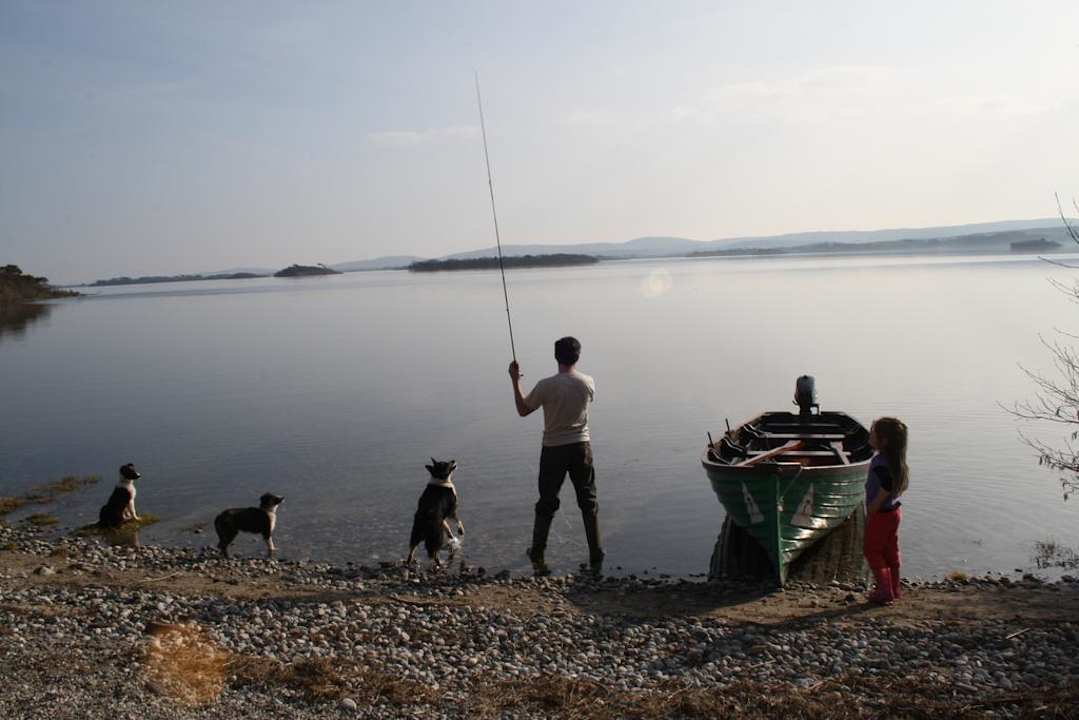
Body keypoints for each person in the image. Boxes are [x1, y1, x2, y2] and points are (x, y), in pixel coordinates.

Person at [509, 336, 603, 575]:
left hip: (553, 449)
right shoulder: (588, 382)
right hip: (582, 447)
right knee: (588, 501)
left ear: (555, 356)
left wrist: (514, 381)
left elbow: (522, 410)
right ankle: (596, 553)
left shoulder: (545, 386)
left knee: (547, 502)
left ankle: (538, 552)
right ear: (578, 356)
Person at [863, 417, 909, 604]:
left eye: (873, 433)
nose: (870, 435)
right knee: (890, 551)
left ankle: (884, 590)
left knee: (872, 550)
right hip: (893, 512)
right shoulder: (895, 461)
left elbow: (887, 485)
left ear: (884, 441)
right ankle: (894, 588)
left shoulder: (880, 462)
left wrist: (874, 505)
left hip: (881, 514)